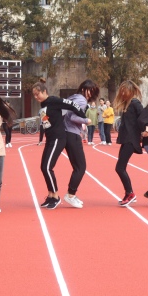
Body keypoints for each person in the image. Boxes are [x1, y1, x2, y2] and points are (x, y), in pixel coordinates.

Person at [32, 80, 88, 210]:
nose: (36, 97)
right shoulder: (43, 105)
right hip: (50, 139)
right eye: (34, 95)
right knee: (43, 167)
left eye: (37, 94)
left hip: (58, 138)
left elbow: (72, 104)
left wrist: (82, 115)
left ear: (44, 91)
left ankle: (56, 197)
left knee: (47, 167)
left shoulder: (53, 100)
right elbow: (46, 123)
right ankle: (51, 195)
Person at [63, 79, 100, 208]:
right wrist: (86, 120)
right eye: (89, 90)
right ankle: (70, 194)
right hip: (72, 134)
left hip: (68, 133)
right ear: (83, 89)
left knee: (77, 166)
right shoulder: (82, 100)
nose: (91, 94)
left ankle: (71, 193)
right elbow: (73, 117)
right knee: (81, 167)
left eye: (93, 92)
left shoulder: (74, 97)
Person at [113, 80, 144, 207]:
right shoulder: (127, 104)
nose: (122, 93)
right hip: (126, 139)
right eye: (121, 91)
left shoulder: (135, 103)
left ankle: (130, 193)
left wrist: (145, 132)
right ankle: (128, 193)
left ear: (130, 91)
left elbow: (144, 118)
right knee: (120, 168)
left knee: (120, 168)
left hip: (131, 140)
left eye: (124, 91)